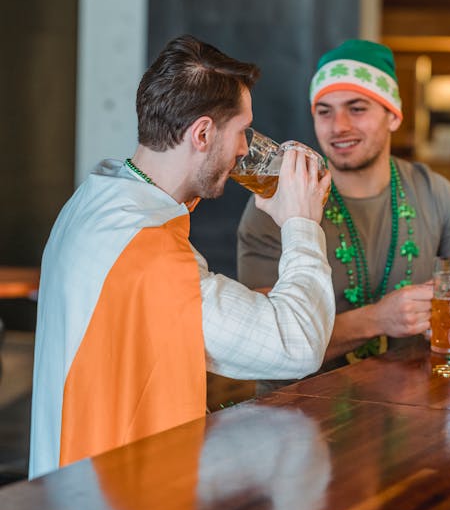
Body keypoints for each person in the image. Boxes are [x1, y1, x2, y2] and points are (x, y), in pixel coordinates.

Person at [29, 34, 334, 479]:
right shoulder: (149, 253)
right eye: (241, 131)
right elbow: (298, 345)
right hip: (114, 509)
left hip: (69, 476)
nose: (247, 148)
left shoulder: (98, 200)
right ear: (204, 133)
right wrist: (301, 223)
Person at [237, 39, 450, 390]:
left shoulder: (431, 190)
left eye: (357, 108)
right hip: (300, 411)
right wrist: (378, 319)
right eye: (324, 111)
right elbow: (266, 343)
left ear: (393, 115)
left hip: (409, 410)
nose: (338, 126)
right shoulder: (275, 200)